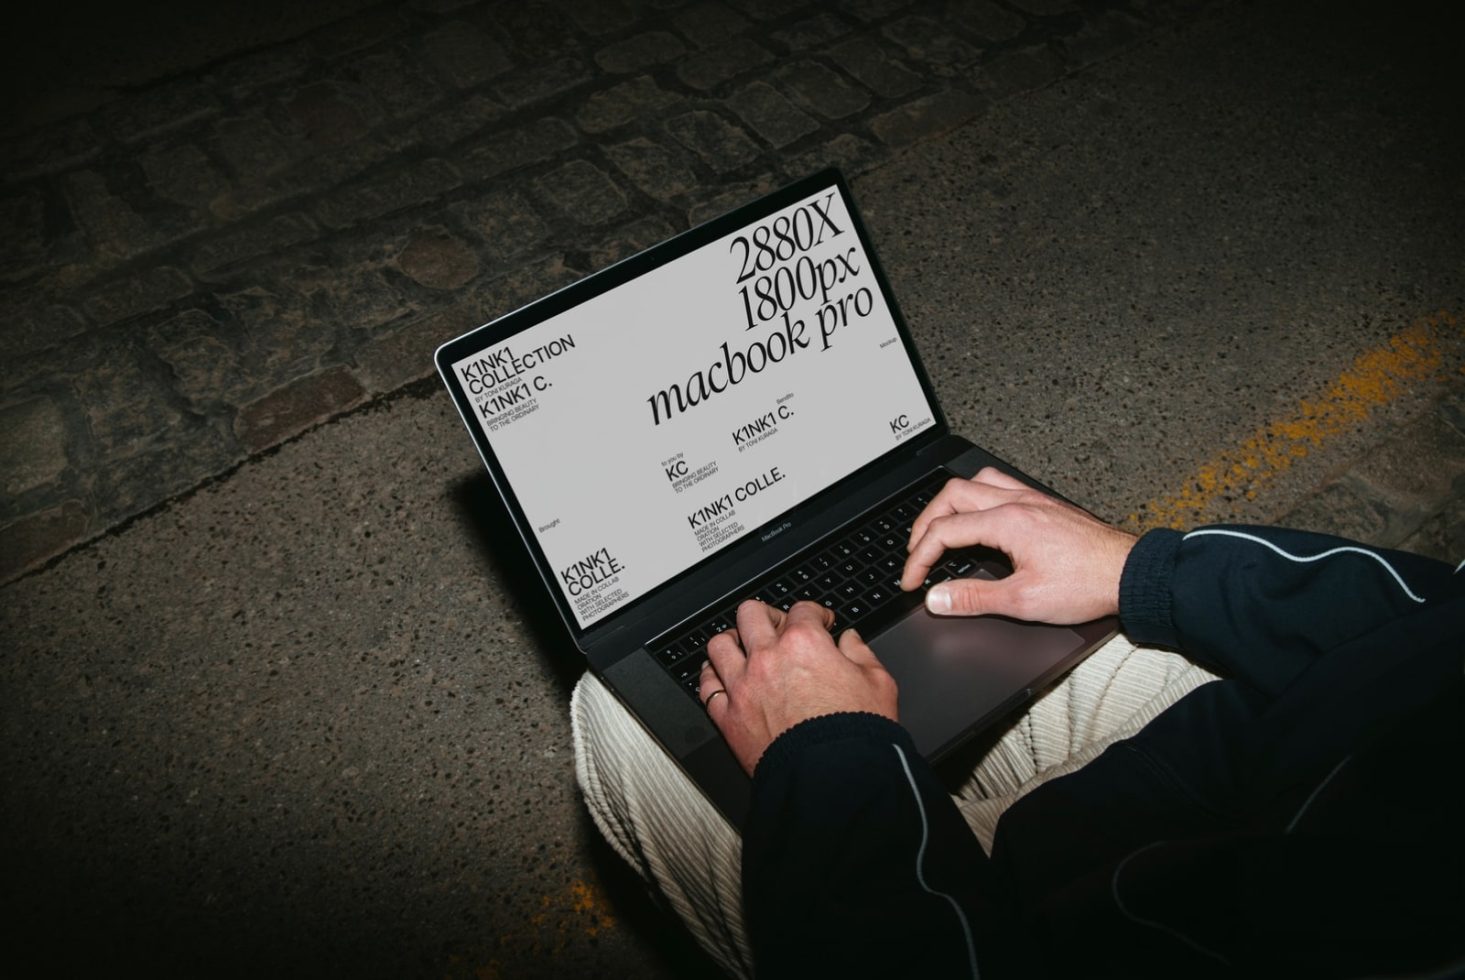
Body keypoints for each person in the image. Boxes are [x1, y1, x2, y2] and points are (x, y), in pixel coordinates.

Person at [571, 468, 1464, 978]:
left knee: (618, 714)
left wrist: (829, 755)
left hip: (1041, 940)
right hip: (1233, 774)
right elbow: (1437, 618)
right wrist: (1139, 571)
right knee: (1008, 613)